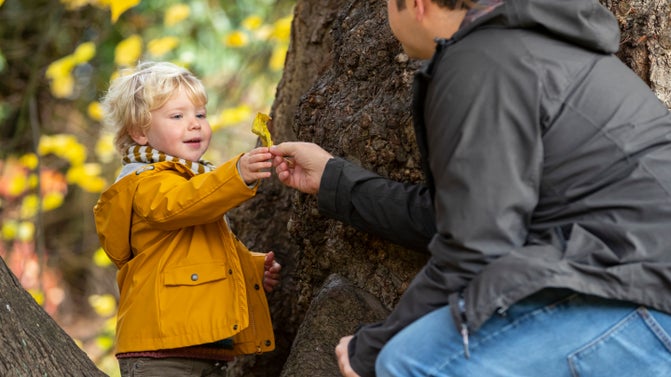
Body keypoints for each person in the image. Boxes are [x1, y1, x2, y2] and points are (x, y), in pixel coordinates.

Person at [270, 0, 671, 376]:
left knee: (403, 363)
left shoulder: (479, 61)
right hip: (630, 279)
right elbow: (463, 216)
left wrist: (371, 350)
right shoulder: (518, 44)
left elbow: (476, 244)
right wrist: (334, 179)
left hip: (644, 296)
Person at [93, 61, 281, 377]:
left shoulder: (198, 180)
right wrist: (235, 175)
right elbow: (181, 205)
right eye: (177, 116)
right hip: (160, 353)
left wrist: (251, 268)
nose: (194, 124)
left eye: (200, 115)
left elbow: (203, 245)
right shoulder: (145, 181)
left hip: (203, 349)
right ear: (140, 132)